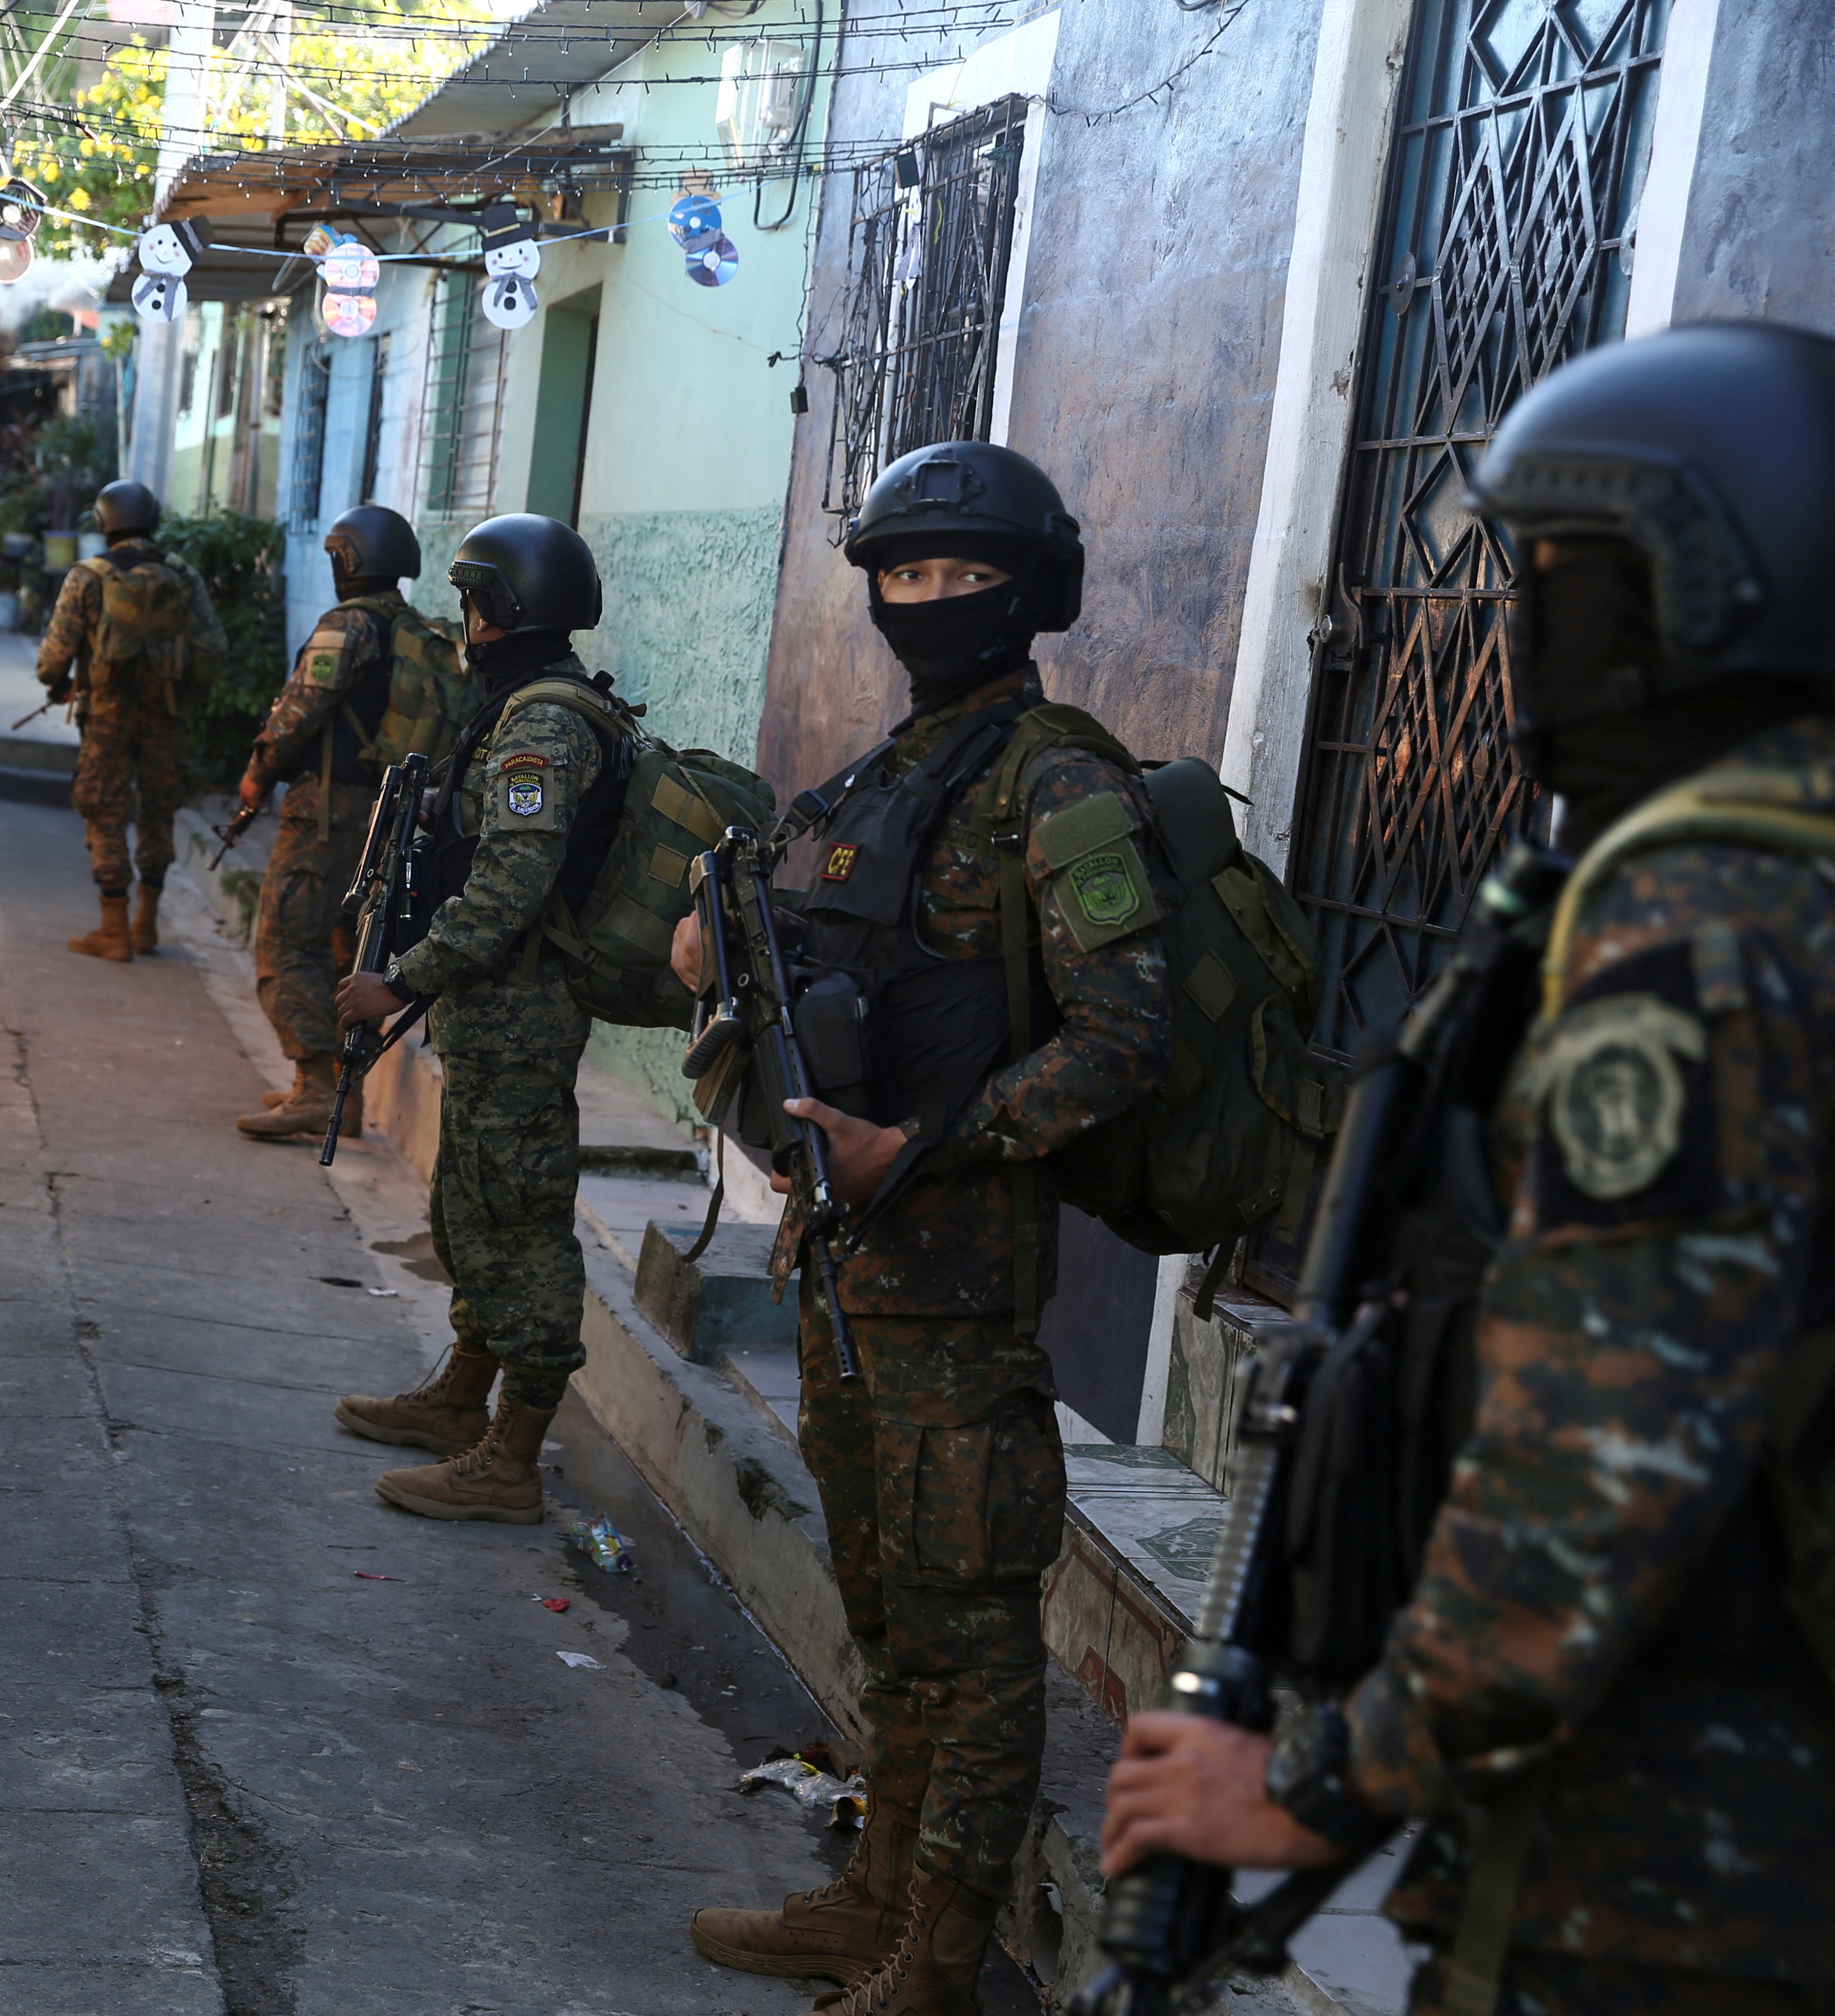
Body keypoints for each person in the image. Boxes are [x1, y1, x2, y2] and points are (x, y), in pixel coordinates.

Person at [1095, 324, 1835, 2015]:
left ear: (1696, 579)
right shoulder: (1822, 882)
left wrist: (1325, 1784)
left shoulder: (1698, 929)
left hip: (1690, 1879)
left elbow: (1601, 1453)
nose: (1525, 625)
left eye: (1556, 571)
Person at [680, 443, 1171, 2012]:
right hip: (838, 1265)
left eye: (966, 575)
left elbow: (1125, 1034)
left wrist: (930, 1148)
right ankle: (877, 1895)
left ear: (1030, 593)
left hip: (956, 1287)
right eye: (908, 574)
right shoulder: (881, 777)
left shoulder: (1061, 784)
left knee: (969, 1635)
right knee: (891, 1608)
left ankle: (939, 1955)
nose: (932, 601)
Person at [330, 513, 615, 1524]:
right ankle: (460, 1401)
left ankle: (509, 1460)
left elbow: (506, 889)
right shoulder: (518, 711)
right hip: (494, 1012)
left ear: (504, 606)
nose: (464, 620)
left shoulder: (541, 727)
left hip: (522, 1015)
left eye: (472, 600)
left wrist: (399, 980)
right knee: (472, 1213)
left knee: (520, 1228)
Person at [233, 505, 468, 1139]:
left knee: (286, 942)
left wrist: (257, 774)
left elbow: (298, 712)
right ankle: (345, 1091)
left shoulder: (349, 627)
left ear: (349, 561)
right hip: (388, 820)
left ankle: (315, 1087)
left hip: (326, 817)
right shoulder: (421, 634)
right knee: (349, 951)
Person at [34, 480, 226, 961]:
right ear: (153, 518)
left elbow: (51, 661)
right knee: (159, 812)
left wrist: (63, 681)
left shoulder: (89, 575)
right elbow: (214, 649)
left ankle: (113, 927)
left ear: (103, 522)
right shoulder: (184, 576)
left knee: (106, 811)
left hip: (106, 716)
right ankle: (146, 925)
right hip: (167, 716)